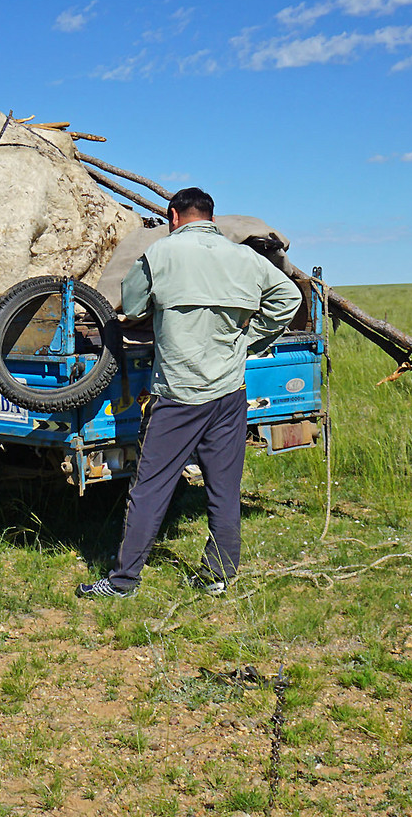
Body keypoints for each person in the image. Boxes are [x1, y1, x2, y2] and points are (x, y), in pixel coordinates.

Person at [77, 188, 301, 600]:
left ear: (174, 216)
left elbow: (133, 303)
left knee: (150, 488)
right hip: (229, 393)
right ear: (210, 218)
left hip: (177, 395)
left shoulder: (161, 254)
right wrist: (250, 339)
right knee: (223, 487)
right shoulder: (244, 257)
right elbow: (289, 297)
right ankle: (218, 575)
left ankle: (124, 581)